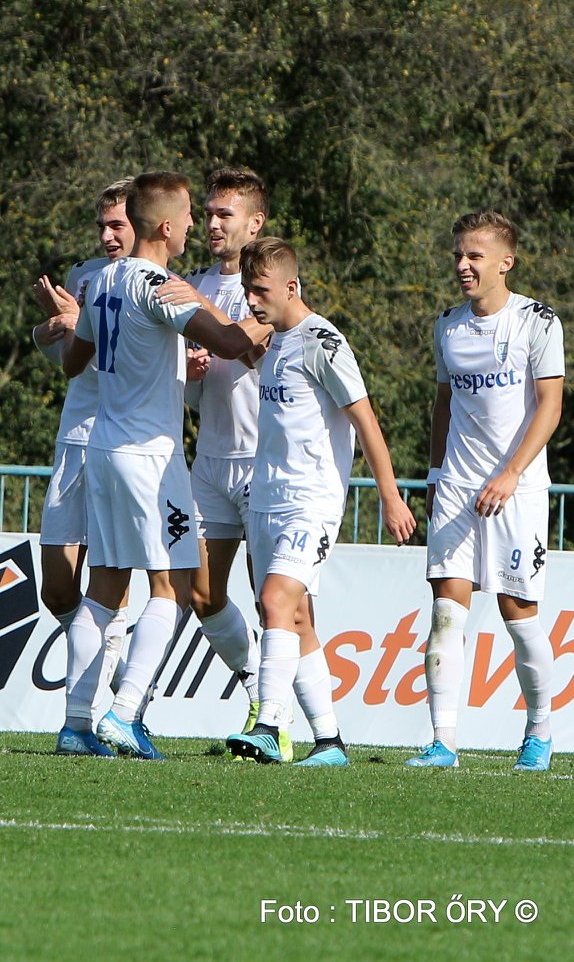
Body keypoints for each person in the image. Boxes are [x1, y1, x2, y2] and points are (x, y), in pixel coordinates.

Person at [61, 171, 261, 760]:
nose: (197, 224)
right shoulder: (158, 285)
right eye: (192, 214)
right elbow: (232, 344)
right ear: (168, 227)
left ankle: (75, 724)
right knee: (172, 586)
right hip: (151, 457)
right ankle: (125, 714)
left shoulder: (102, 280)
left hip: (102, 450)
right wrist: (276, 314)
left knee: (103, 589)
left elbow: (74, 360)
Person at [226, 238, 417, 765]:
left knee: (275, 600)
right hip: (266, 499)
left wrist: (390, 496)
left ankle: (269, 725)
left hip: (310, 502)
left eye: (260, 290)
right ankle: (330, 742)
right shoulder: (274, 342)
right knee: (296, 619)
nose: (251, 300)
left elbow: (365, 420)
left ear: (291, 286)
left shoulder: (323, 341)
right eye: (247, 289)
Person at [410, 211, 563, 772]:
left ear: (506, 262)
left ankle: (540, 731)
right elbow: (443, 406)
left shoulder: (538, 322)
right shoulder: (447, 325)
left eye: (474, 255)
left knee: (518, 614)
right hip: (457, 486)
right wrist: (434, 476)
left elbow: (550, 405)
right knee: (446, 613)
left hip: (516, 492)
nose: (462, 265)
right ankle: (442, 742)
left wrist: (512, 473)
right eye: (458, 254)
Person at [29, 177, 138, 754]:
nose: (107, 235)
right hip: (73, 438)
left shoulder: (150, 281)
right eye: (102, 225)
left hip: (119, 443)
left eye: (117, 224)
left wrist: (79, 323)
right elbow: (67, 357)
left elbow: (124, 358)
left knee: (109, 582)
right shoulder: (83, 275)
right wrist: (49, 329)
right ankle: (113, 669)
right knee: (56, 586)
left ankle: (88, 716)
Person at [175, 168, 272, 742]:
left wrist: (206, 317)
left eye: (224, 215)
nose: (212, 224)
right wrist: (188, 374)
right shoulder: (193, 283)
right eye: (208, 214)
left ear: (254, 223)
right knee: (201, 593)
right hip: (210, 460)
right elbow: (193, 391)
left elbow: (255, 349)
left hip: (263, 461)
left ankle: (283, 721)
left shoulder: (271, 283)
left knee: (271, 599)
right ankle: (260, 690)